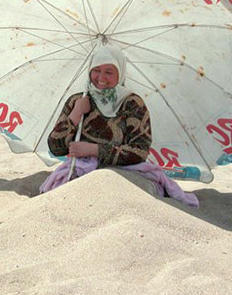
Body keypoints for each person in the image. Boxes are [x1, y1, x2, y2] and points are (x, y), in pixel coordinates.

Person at [41, 45, 152, 192]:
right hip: (79, 174)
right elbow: (55, 148)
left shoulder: (132, 104)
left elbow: (140, 152)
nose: (101, 78)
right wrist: (76, 113)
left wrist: (94, 150)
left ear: (120, 73)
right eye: (96, 70)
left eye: (109, 72)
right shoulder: (78, 100)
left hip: (121, 177)